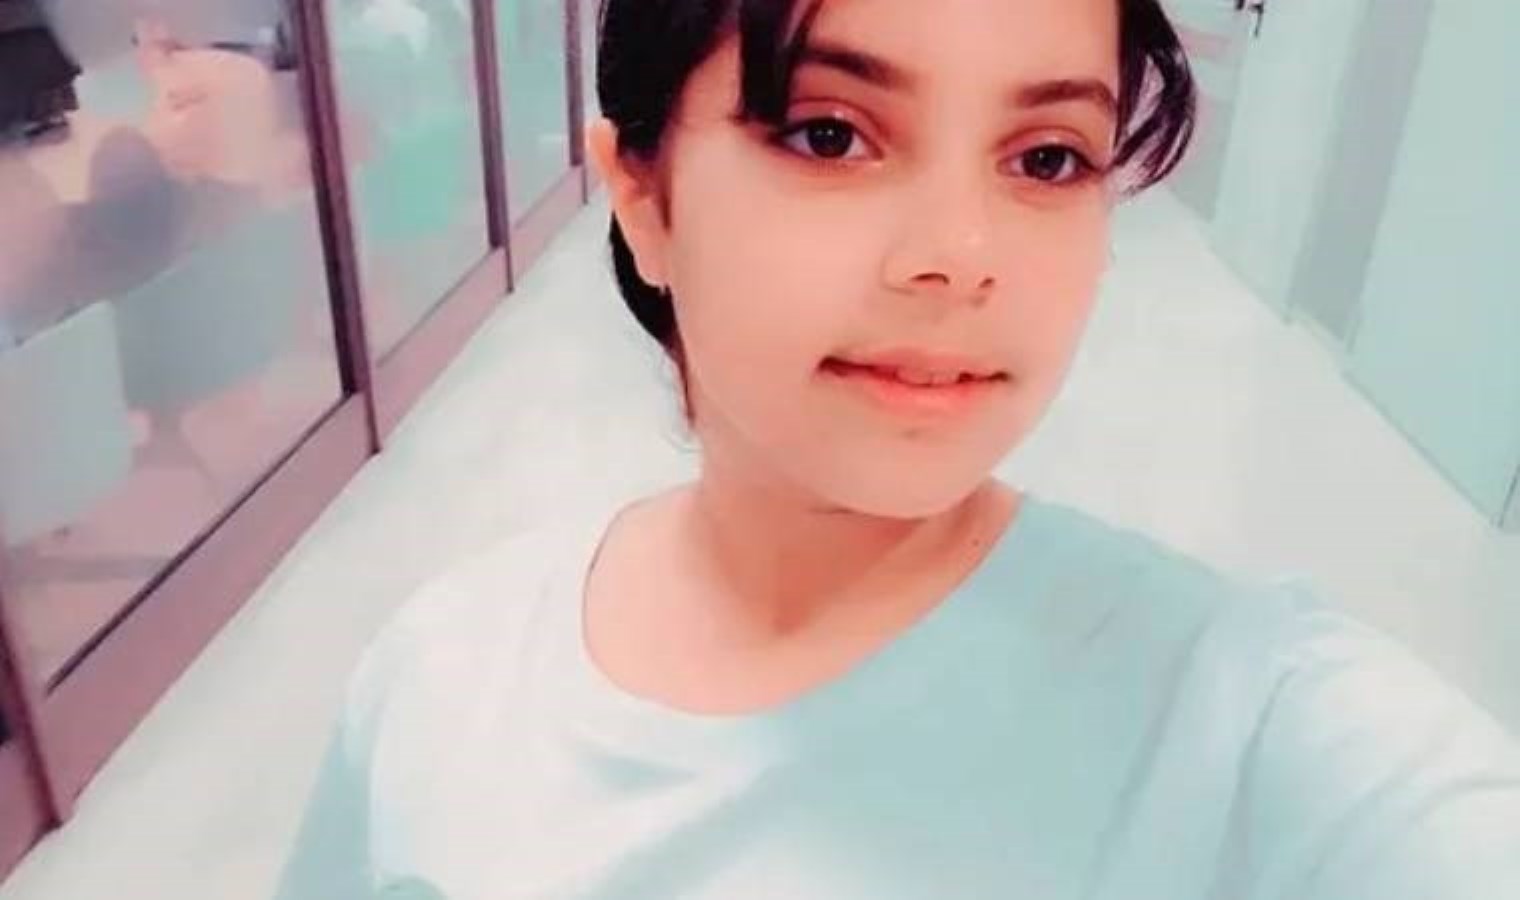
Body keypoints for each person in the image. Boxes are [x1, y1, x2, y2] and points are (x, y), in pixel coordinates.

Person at [274, 0, 1520, 897]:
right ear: (642, 194)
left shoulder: (1249, 726)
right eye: (829, 133)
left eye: (1046, 159)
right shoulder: (441, 687)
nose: (957, 256)